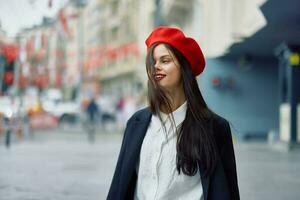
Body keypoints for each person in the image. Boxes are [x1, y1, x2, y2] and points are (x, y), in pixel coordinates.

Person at [107, 26, 239, 200]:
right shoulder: (136, 122)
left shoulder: (215, 127)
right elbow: (119, 184)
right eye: (152, 62)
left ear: (184, 67)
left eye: (165, 60)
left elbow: (226, 190)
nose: (156, 67)